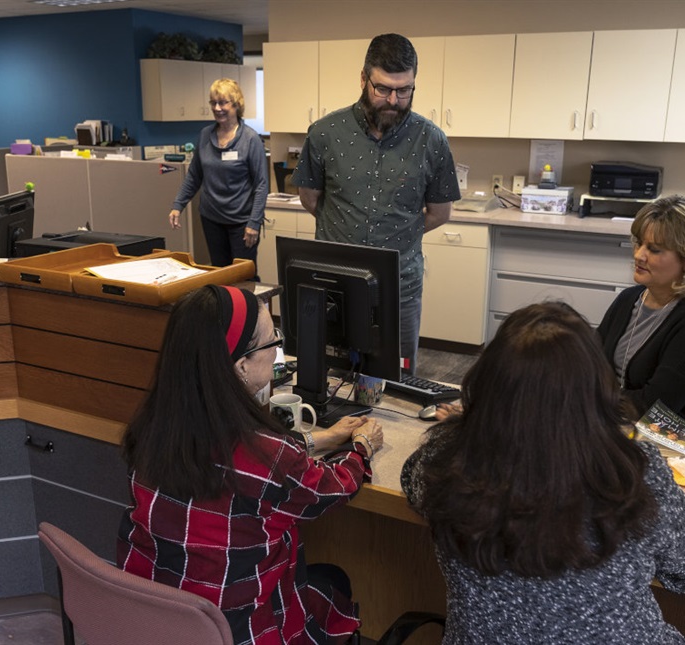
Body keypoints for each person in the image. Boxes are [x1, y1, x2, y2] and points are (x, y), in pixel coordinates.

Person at [402, 302, 685, 644]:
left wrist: (465, 427)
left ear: (486, 383)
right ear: (597, 391)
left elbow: (412, 479)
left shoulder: (448, 460)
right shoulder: (632, 473)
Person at [117, 285, 384, 644]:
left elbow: (246, 465)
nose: (277, 349)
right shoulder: (266, 453)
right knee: (332, 581)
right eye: (273, 339)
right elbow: (330, 488)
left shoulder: (151, 428)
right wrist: (362, 448)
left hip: (162, 623)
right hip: (241, 631)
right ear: (241, 364)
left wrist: (318, 439)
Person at [292, 33, 461, 373]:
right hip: (335, 286)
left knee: (398, 385)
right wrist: (348, 228)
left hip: (400, 289)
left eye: (404, 90)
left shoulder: (431, 140)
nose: (393, 100)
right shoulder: (325, 133)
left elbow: (440, 213)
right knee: (331, 376)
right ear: (363, 78)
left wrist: (397, 231)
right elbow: (310, 197)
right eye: (382, 88)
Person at [597, 195, 685, 427]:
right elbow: (591, 365)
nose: (638, 255)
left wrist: (588, 398)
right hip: (622, 425)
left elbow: (653, 405)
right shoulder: (629, 299)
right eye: (639, 243)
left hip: (680, 442)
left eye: (654, 249)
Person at [168, 79, 268, 273]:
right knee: (219, 273)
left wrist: (254, 222)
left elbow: (262, 184)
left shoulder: (250, 139)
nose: (217, 108)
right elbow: (194, 176)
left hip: (242, 222)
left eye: (223, 102)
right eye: (213, 103)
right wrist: (177, 205)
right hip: (211, 218)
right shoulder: (205, 135)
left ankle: (254, 304)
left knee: (243, 275)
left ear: (236, 104)